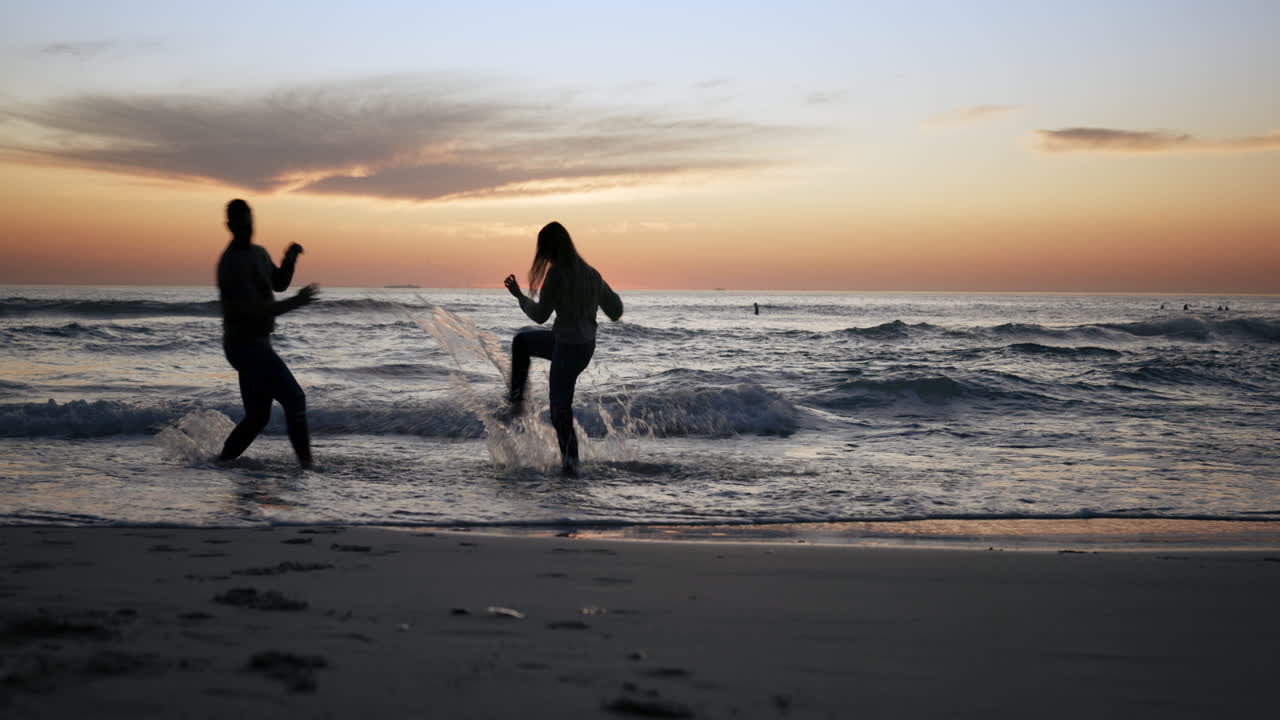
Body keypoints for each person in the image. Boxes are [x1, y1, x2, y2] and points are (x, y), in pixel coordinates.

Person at [503, 221, 623, 476]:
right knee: (521, 342)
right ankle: (516, 401)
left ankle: (571, 468)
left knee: (560, 410)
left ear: (549, 249)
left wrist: (519, 297)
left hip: (568, 349)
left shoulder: (557, 274)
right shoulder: (591, 274)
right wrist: (595, 295)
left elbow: (540, 316)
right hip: (581, 346)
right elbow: (616, 311)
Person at [216, 199, 318, 469]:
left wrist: (290, 258)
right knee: (295, 399)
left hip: (258, 345)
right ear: (230, 226)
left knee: (258, 416)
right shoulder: (231, 264)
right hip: (244, 346)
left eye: (249, 224)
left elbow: (279, 283)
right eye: (241, 226)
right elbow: (255, 310)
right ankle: (307, 467)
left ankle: (221, 463)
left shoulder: (258, 253)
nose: (246, 230)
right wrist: (297, 302)